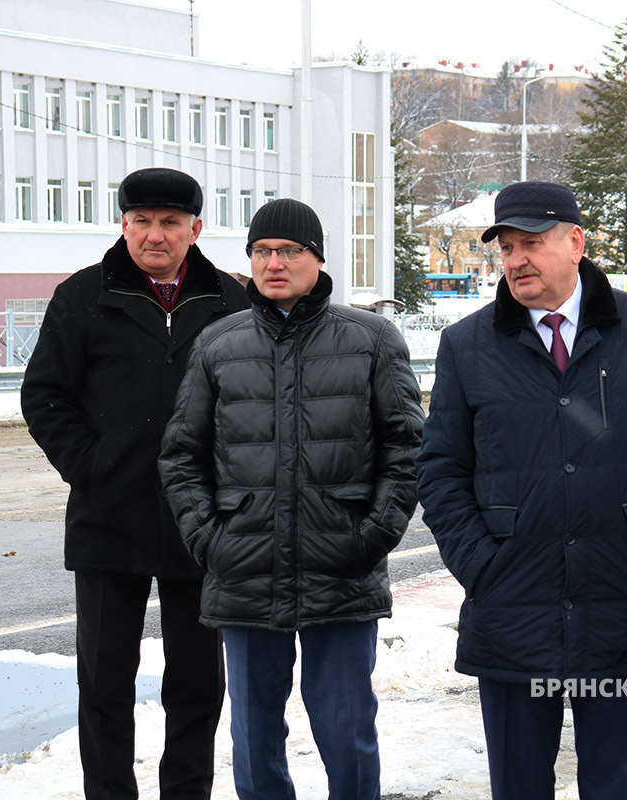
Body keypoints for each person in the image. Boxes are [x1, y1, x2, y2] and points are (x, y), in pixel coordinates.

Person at [415, 181, 627, 800]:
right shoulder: (467, 345)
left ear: (575, 242)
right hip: (511, 604)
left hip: (621, 600)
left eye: (532, 243)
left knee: (614, 785)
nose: (516, 259)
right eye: (505, 248)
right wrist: (482, 565)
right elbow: (441, 468)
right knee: (519, 787)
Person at [159, 198, 424, 800]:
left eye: (289, 251)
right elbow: (181, 455)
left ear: (318, 258)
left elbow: (407, 449)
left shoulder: (371, 339)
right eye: (261, 252)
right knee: (253, 740)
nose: (274, 263)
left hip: (342, 572)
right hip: (244, 572)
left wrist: (370, 537)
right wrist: (211, 540)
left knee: (348, 731)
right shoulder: (217, 345)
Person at [21, 167, 248, 800]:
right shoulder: (82, 296)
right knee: (105, 683)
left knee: (198, 685)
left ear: (195, 229)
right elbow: (44, 397)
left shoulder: (231, 303)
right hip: (108, 522)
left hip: (201, 527)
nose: (155, 234)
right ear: (123, 224)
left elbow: (254, 407)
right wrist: (93, 469)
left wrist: (227, 488)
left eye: (170, 223)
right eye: (142, 221)